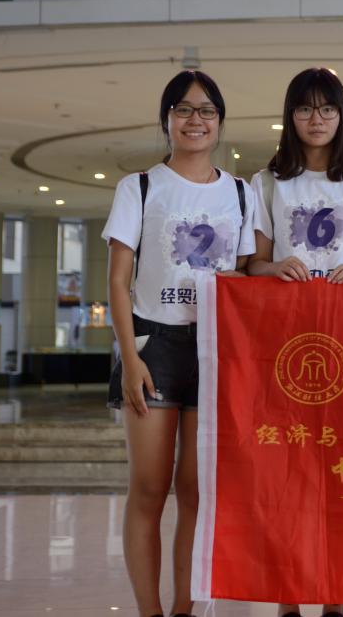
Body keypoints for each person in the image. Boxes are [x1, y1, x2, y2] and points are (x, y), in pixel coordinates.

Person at [104, 70, 255, 617]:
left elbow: (246, 275)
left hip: (215, 347)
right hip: (153, 343)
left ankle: (184, 610)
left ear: (220, 121)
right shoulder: (140, 187)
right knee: (149, 488)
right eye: (184, 109)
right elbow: (117, 280)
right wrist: (129, 359)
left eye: (207, 110)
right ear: (166, 119)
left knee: (195, 491)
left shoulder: (240, 191)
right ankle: (150, 611)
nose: (196, 120)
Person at [246, 67, 343, 617]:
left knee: (340, 469)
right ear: (290, 116)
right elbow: (253, 263)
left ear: (342, 114)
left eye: (327, 108)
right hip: (285, 343)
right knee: (288, 471)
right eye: (305, 108)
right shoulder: (266, 182)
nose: (317, 119)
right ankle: (288, 598)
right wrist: (274, 267)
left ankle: (335, 598)